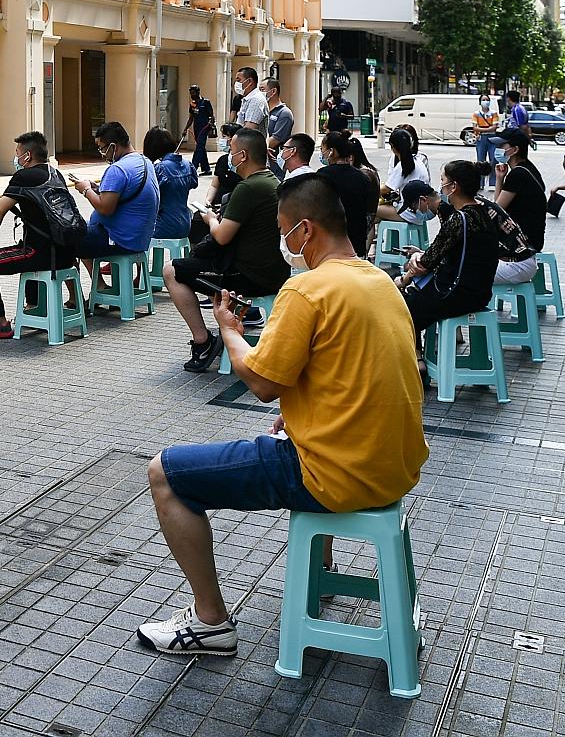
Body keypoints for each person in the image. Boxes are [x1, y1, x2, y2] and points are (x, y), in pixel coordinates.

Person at [136, 175, 427, 655]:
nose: (283, 242)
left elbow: (262, 383)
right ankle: (323, 575)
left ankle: (209, 622)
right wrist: (302, 416)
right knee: (284, 437)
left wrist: (228, 330)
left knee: (164, 473)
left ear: (306, 230)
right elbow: (358, 374)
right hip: (393, 469)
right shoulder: (379, 281)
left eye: (283, 230)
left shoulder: (306, 290)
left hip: (334, 474)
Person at [164, 129, 289, 373]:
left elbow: (221, 237)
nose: (228, 155)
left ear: (242, 155)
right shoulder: (272, 181)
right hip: (273, 269)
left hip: (249, 275)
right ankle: (226, 330)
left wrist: (210, 218)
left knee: (171, 271)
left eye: (231, 150)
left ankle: (203, 341)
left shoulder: (249, 188)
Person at [0, 131, 78, 338]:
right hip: (64, 252)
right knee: (21, 250)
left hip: (42, 254)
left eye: (18, 152)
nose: (16, 157)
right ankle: (33, 308)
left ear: (27, 156)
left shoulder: (24, 176)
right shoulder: (55, 173)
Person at [397, 161, 512, 334]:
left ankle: (416, 359)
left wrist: (414, 260)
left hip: (457, 294)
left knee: (402, 308)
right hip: (479, 293)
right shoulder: (483, 212)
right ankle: (419, 356)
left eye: (443, 181)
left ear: (453, 187)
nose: (440, 187)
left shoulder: (459, 219)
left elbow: (427, 262)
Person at [67, 121, 159, 271]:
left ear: (113, 146)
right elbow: (124, 194)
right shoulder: (144, 162)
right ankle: (100, 285)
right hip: (138, 238)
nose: (101, 153)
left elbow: (105, 209)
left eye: (102, 148)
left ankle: (83, 290)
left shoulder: (118, 169)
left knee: (64, 236)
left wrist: (86, 190)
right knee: (78, 229)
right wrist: (97, 189)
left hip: (119, 239)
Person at [316, 131, 377, 257]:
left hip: (331, 244)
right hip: (356, 244)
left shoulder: (323, 175)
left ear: (331, 151)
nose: (322, 153)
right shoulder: (363, 177)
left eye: (323, 149)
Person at [491, 128, 546, 263]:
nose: (497, 149)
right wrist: (500, 178)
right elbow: (498, 205)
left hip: (523, 244)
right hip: (532, 238)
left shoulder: (518, 174)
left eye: (502, 146)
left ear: (515, 150)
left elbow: (497, 209)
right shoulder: (528, 168)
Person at [147, 127, 197, 240]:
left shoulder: (159, 168)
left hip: (163, 225)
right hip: (185, 222)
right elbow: (194, 184)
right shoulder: (188, 165)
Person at [375, 128, 430, 222]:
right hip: (420, 210)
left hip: (409, 212)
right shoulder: (417, 161)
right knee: (374, 218)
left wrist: (368, 191)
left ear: (393, 147)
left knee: (369, 210)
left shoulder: (403, 165)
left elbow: (386, 189)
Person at [182, 85, 216, 176]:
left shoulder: (205, 102)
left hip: (204, 128)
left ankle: (193, 168)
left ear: (198, 92)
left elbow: (212, 116)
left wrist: (210, 126)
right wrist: (185, 129)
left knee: (199, 147)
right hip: (196, 128)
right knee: (201, 148)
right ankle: (206, 169)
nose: (192, 95)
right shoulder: (192, 104)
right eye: (191, 93)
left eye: (193, 93)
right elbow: (191, 118)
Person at [261, 78, 294, 159]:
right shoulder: (262, 109)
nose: (260, 93)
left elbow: (275, 140)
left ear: (273, 91)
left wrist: (254, 148)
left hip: (273, 161)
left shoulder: (284, 113)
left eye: (262, 90)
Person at [472, 96, 502, 168]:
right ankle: (481, 179)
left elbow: (494, 127)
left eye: (487, 100)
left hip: (492, 138)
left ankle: (494, 179)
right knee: (481, 161)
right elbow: (475, 128)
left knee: (494, 161)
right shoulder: (476, 114)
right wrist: (489, 128)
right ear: (480, 102)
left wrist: (481, 129)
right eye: (483, 100)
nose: (485, 101)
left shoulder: (494, 113)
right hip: (481, 138)